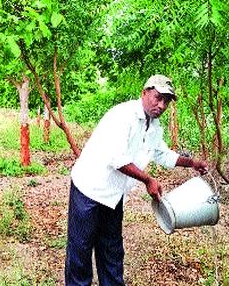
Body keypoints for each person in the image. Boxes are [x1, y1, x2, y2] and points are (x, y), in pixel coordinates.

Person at [65, 74, 208, 285]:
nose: (161, 105)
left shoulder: (154, 126)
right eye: (157, 98)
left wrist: (192, 163)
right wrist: (147, 179)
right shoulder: (123, 116)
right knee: (81, 251)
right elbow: (117, 158)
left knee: (111, 251)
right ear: (144, 93)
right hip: (89, 190)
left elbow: (162, 154)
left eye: (166, 101)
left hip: (114, 196)